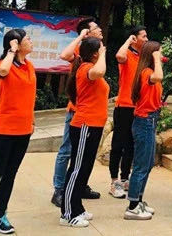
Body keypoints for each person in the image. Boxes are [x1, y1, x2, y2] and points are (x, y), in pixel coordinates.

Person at [0, 29, 36, 235]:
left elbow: (30, 98)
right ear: (16, 44)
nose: (31, 41)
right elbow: (2, 71)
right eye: (27, 39)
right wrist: (11, 51)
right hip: (4, 129)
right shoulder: (5, 65)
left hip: (24, 130)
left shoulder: (30, 66)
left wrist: (32, 121)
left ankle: (0, 215)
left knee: (10, 174)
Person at [51, 18, 103, 207]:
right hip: (77, 111)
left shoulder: (96, 53)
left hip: (91, 114)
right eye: (96, 28)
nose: (100, 29)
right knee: (67, 150)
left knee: (84, 156)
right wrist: (81, 36)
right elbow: (64, 55)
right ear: (87, 33)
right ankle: (59, 189)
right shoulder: (80, 54)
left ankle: (80, 186)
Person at [60, 37, 109, 227]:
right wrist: (103, 54)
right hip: (84, 125)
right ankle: (67, 213)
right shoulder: (85, 68)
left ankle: (77, 207)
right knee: (77, 169)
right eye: (101, 48)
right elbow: (99, 71)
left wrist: (100, 54)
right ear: (95, 53)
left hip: (94, 125)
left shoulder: (89, 67)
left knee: (85, 169)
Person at [124, 41, 164, 221]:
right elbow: (159, 76)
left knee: (147, 165)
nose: (162, 55)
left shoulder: (148, 72)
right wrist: (156, 58)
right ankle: (132, 206)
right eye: (159, 52)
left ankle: (138, 200)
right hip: (144, 121)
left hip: (149, 120)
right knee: (141, 166)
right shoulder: (147, 73)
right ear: (152, 54)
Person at [109, 25, 148, 198]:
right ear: (134, 38)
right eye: (143, 36)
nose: (146, 39)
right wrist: (128, 41)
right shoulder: (127, 55)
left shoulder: (143, 58)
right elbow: (119, 56)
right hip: (124, 106)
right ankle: (114, 181)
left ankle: (125, 178)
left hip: (138, 107)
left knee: (131, 145)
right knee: (118, 144)